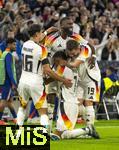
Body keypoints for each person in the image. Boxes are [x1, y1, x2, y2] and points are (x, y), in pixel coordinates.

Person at [16, 24, 72, 130]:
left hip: (23, 81)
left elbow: (38, 38)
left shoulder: (25, 45)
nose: (43, 34)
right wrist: (63, 80)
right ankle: (44, 134)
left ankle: (17, 131)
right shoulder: (41, 49)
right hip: (35, 83)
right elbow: (47, 70)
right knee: (43, 111)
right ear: (37, 34)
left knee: (22, 107)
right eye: (41, 32)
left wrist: (47, 31)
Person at [49, 51, 99, 140]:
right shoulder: (74, 69)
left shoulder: (63, 69)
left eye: (56, 61)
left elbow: (50, 78)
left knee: (60, 134)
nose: (55, 64)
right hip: (73, 104)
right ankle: (86, 131)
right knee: (65, 133)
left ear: (61, 60)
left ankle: (88, 129)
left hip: (66, 104)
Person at [66, 39, 101, 138]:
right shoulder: (74, 49)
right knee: (77, 103)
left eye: (73, 53)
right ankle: (87, 128)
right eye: (70, 53)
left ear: (78, 48)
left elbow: (74, 64)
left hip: (92, 79)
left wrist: (63, 62)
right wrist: (94, 55)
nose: (72, 55)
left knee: (88, 102)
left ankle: (90, 128)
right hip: (80, 81)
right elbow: (90, 43)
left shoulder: (85, 50)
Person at [0, 38, 17, 124]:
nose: (15, 46)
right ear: (8, 45)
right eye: (14, 44)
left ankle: (16, 118)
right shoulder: (8, 55)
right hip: (7, 82)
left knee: (9, 101)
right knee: (3, 101)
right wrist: (13, 82)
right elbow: (9, 70)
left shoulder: (4, 54)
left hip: (3, 80)